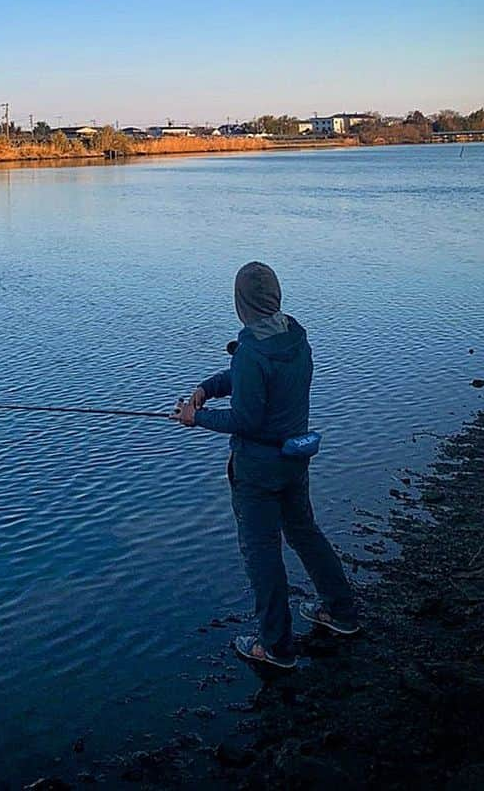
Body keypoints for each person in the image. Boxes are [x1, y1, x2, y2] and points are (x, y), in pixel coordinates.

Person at [174, 261, 358, 669]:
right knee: (305, 533)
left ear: (241, 304)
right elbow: (248, 376)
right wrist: (209, 388)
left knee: (262, 552)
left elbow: (245, 421)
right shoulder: (295, 338)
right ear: (275, 298)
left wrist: (195, 416)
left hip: (257, 471)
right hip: (294, 459)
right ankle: (342, 612)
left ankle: (275, 646)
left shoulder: (252, 353)